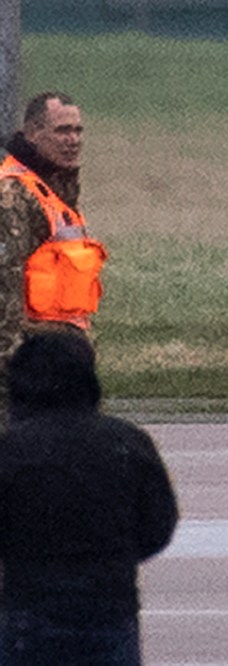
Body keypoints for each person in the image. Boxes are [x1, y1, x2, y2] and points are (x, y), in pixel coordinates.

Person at [0, 332, 179, 665]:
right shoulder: (127, 442)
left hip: (30, 610)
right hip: (109, 609)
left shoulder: (11, 451)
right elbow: (158, 524)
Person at [0, 92, 108, 431]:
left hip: (62, 360)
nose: (73, 140)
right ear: (32, 133)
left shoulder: (55, 189)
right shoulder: (14, 195)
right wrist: (13, 373)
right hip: (31, 364)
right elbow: (5, 291)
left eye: (78, 131)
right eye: (62, 131)